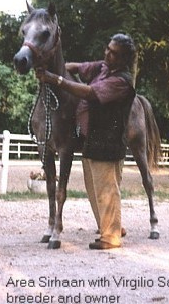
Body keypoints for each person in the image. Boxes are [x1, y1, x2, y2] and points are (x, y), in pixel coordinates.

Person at [35, 34, 136, 249]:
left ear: (125, 59)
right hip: (93, 139)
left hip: (108, 141)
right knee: (95, 189)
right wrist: (58, 68)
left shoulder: (121, 82)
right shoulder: (102, 68)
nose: (108, 54)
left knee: (107, 188)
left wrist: (57, 79)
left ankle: (111, 237)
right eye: (108, 49)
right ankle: (113, 226)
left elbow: (89, 92)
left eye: (114, 53)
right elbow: (77, 67)